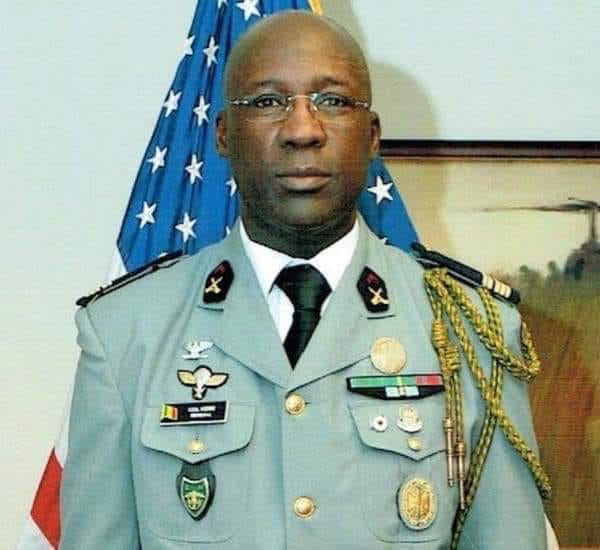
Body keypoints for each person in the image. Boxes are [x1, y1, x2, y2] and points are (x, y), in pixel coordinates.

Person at [60, 11, 550, 549]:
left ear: (372, 136)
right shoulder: (127, 332)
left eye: (332, 101)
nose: (302, 130)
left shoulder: (470, 330)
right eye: (268, 102)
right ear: (223, 134)